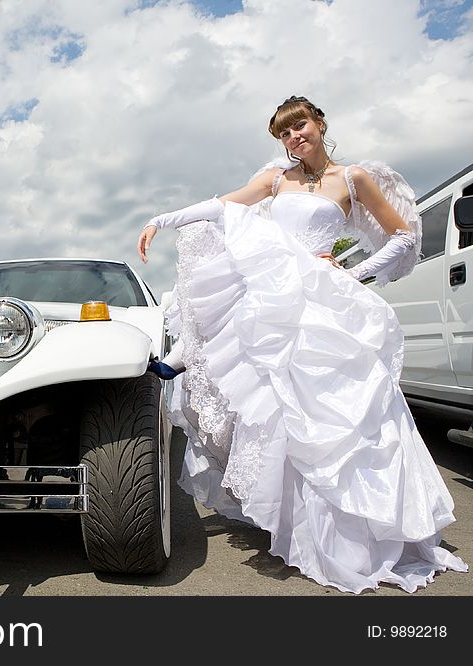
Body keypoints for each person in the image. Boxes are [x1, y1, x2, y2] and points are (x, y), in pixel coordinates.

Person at [137, 95, 467, 593]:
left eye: (300, 127)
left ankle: (358, 531)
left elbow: (401, 236)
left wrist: (354, 272)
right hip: (276, 296)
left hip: (323, 295)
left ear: (319, 124)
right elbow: (222, 204)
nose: (294, 138)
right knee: (281, 407)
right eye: (284, 133)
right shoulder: (276, 179)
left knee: (337, 409)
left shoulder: (353, 179)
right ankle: (298, 522)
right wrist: (164, 219)